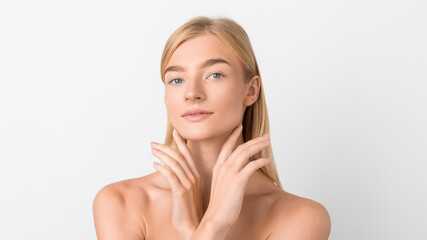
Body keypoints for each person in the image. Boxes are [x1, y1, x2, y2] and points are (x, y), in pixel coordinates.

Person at [92, 16, 331, 240]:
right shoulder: (120, 202)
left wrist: (210, 225)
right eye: (177, 79)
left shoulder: (301, 217)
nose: (192, 93)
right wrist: (206, 227)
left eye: (214, 75)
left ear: (250, 91)